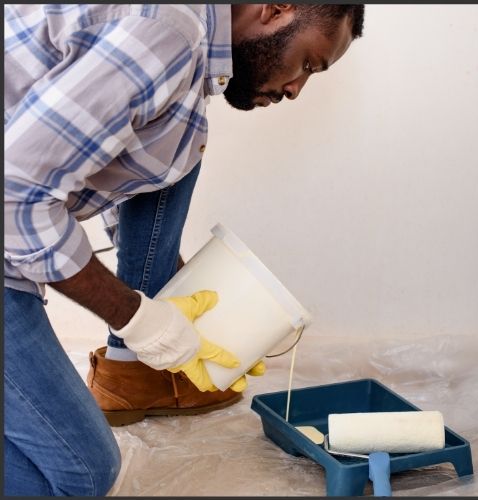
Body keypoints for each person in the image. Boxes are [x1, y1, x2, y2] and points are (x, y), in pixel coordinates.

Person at [4, 3, 365, 496]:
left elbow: (96, 153)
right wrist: (137, 319)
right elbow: (13, 194)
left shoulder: (183, 45)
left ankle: (136, 372)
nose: (297, 89)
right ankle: (132, 363)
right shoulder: (167, 32)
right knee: (80, 473)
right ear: (277, 8)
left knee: (179, 143)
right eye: (308, 63)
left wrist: (180, 310)